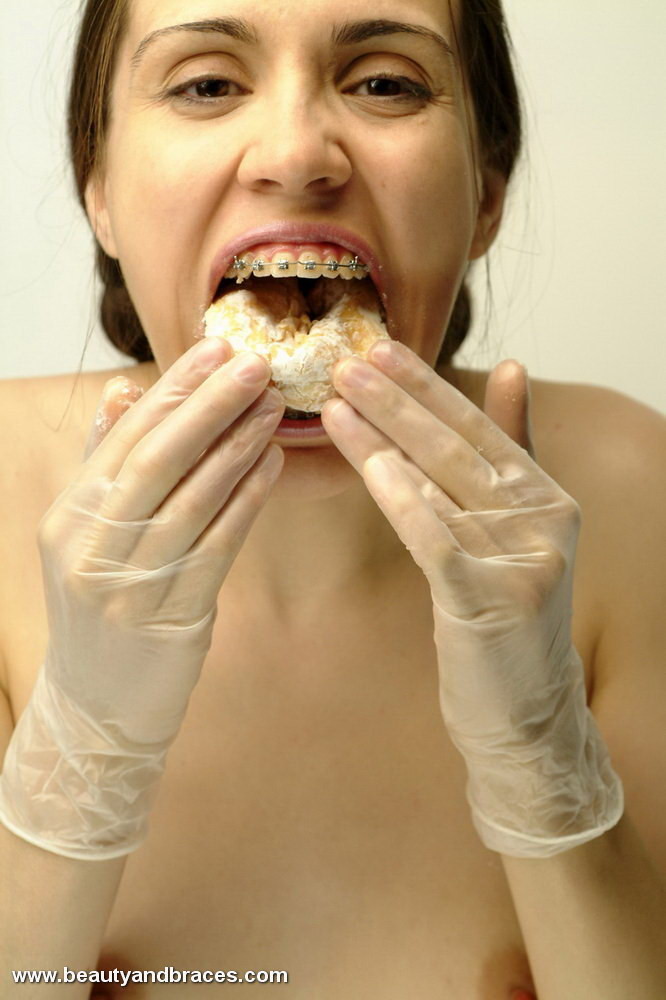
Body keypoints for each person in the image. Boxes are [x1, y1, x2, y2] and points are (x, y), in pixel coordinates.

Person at [1, 0, 665, 997]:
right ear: (99, 190)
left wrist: (539, 757)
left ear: (487, 191)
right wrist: (76, 765)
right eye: (208, 83)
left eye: (387, 81)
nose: (297, 152)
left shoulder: (631, 488)